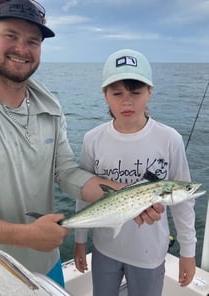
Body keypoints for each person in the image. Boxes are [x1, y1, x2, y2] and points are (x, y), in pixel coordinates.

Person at [0, 0, 133, 287]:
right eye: (11, 36)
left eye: (33, 41)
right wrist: (24, 235)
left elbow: (66, 173)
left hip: (47, 266)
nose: (22, 49)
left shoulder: (50, 106)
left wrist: (123, 194)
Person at [74, 49, 196, 296]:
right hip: (104, 249)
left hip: (149, 254)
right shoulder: (92, 139)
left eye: (136, 92)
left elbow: (183, 203)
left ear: (150, 91)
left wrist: (188, 253)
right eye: (117, 93)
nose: (126, 101)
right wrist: (79, 242)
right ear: (105, 95)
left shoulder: (170, 139)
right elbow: (83, 194)